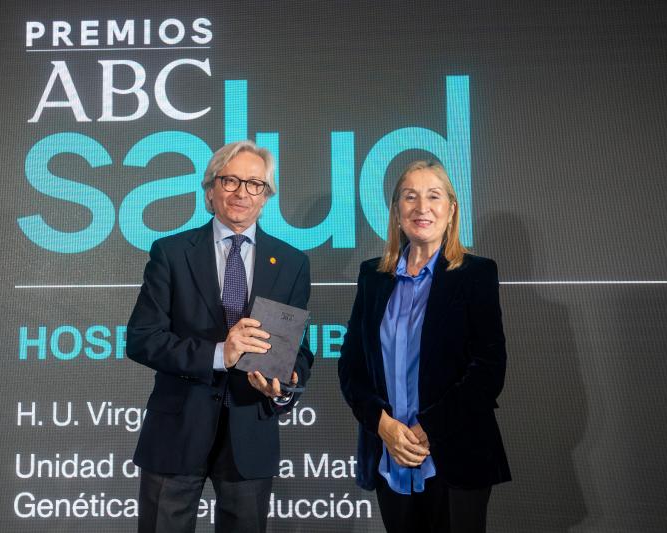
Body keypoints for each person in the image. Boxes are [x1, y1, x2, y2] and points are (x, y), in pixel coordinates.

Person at [126, 140, 313, 533]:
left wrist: (285, 384)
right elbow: (142, 338)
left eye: (254, 184)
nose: (242, 192)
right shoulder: (171, 253)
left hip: (251, 429)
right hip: (178, 429)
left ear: (266, 196)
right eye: (230, 181)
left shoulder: (292, 263)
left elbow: (298, 351)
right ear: (210, 190)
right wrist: (217, 354)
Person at [338, 159, 511, 533]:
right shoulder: (373, 276)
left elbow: (488, 368)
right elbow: (351, 367)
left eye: (433, 196)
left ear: (451, 209)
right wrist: (383, 426)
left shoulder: (476, 274)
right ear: (397, 211)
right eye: (409, 197)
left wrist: (425, 429)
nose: (421, 207)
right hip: (389, 455)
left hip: (455, 457)